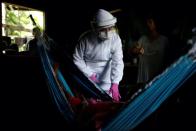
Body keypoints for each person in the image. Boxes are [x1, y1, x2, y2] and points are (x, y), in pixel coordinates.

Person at [73, 9, 124, 102]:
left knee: (108, 106)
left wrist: (115, 83)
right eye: (103, 29)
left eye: (110, 28)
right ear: (95, 27)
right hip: (89, 80)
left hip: (108, 80)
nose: (108, 32)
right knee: (91, 104)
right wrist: (89, 74)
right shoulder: (85, 40)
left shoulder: (115, 39)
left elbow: (118, 62)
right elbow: (77, 59)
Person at [131, 16, 168, 85]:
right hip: (144, 79)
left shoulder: (164, 40)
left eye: (150, 22)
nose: (148, 24)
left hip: (158, 78)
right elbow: (133, 50)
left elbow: (168, 58)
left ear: (156, 23)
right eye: (147, 23)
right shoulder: (143, 39)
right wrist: (137, 50)